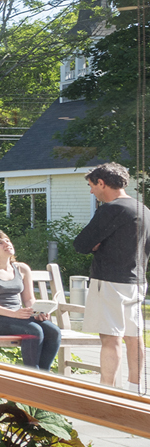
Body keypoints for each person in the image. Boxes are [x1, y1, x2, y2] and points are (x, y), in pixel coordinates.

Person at [74, 162, 150, 390]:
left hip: (108, 282)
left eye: (91, 185)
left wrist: (97, 246)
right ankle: (135, 388)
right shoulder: (143, 210)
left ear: (101, 182)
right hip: (136, 282)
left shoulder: (111, 209)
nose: (91, 191)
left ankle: (106, 391)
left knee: (110, 338)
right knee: (134, 337)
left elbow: (81, 244)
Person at [0, 230, 60, 371]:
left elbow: (29, 298)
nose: (7, 244)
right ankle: (31, 376)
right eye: (0, 243)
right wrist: (13, 314)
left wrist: (38, 311)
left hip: (17, 316)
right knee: (33, 329)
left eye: (7, 240)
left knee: (53, 331)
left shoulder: (22, 268)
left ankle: (44, 377)